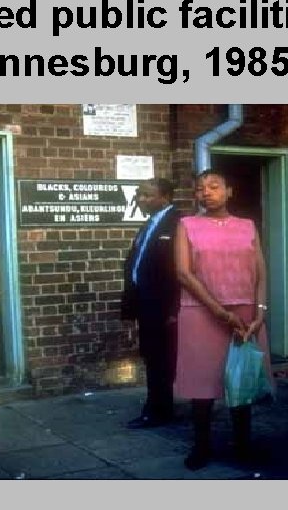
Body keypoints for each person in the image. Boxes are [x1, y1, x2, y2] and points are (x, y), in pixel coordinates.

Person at [174, 169, 274, 470]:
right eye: (200, 188)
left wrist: (260, 313)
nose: (206, 192)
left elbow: (261, 273)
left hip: (245, 313)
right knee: (202, 385)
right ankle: (201, 446)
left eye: (214, 186)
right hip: (200, 312)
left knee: (241, 380)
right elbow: (183, 272)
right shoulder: (186, 225)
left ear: (229, 191)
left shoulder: (247, 226)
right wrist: (219, 311)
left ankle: (243, 444)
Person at [121, 178, 181, 428]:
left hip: (162, 307)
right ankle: (158, 406)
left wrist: (173, 309)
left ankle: (157, 410)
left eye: (147, 195)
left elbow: (180, 271)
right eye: (139, 194)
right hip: (145, 304)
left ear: (165, 196)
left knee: (160, 359)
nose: (141, 199)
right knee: (152, 357)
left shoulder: (178, 224)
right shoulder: (151, 223)